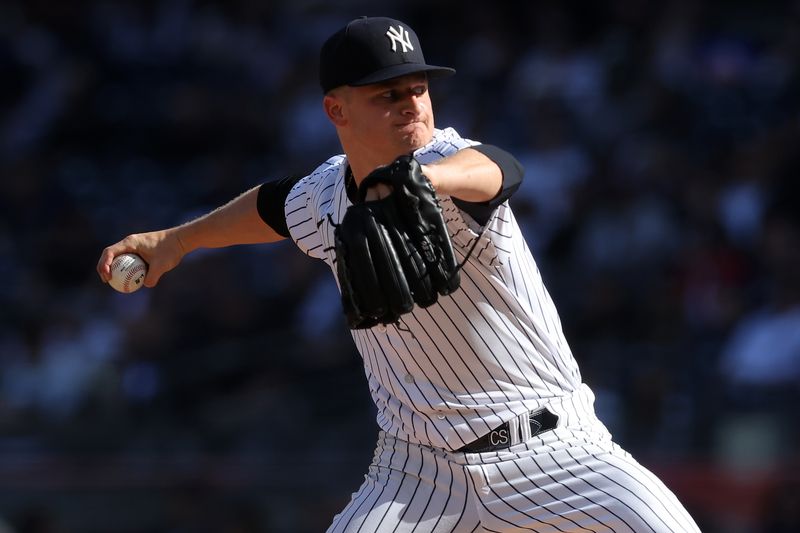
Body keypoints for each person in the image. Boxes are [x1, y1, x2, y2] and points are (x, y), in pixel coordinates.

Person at [97, 16, 700, 533]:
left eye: (418, 89)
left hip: (558, 451)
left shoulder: (448, 164)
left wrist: (421, 183)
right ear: (337, 109)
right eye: (387, 95)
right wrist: (173, 242)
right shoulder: (325, 195)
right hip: (416, 472)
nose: (411, 104)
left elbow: (499, 170)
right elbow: (270, 206)